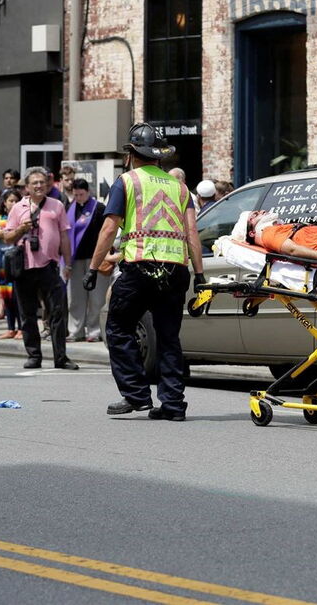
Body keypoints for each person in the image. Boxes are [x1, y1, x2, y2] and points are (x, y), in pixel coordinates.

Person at [85, 122, 204, 421]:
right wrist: (200, 274)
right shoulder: (180, 187)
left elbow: (110, 227)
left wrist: (92, 266)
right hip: (176, 271)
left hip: (140, 268)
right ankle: (173, 404)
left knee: (118, 326)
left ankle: (136, 394)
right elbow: (192, 232)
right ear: (159, 157)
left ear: (131, 154)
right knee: (168, 338)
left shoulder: (127, 182)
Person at [0, 166, 78, 370]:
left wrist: (67, 263)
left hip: (49, 266)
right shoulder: (18, 208)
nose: (39, 186)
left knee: (58, 312)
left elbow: (64, 237)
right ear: (27, 187)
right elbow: (7, 238)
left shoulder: (57, 205)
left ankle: (60, 357)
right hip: (24, 267)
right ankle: (34, 355)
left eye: (42, 182)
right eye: (34, 183)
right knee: (27, 314)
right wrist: (21, 229)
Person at [66, 178, 109, 342]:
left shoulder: (98, 208)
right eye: (75, 194)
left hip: (95, 259)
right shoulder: (70, 208)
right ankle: (76, 331)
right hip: (75, 259)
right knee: (76, 298)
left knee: (96, 298)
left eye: (81, 194)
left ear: (88, 192)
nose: (78, 198)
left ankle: (95, 330)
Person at [0, 189, 22, 339]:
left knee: (18, 296)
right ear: (5, 203)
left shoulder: (22, 216)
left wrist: (3, 234)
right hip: (2, 261)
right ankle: (10, 328)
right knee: (6, 295)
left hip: (18, 260)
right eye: (10, 201)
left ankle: (21, 328)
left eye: (16, 200)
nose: (13, 203)